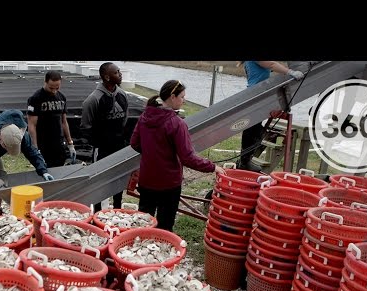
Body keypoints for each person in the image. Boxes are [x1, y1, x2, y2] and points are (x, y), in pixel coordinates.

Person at [130, 80, 217, 232]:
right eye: (182, 97)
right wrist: (213, 167)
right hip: (168, 184)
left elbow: (134, 143)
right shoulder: (176, 123)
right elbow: (188, 157)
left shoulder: (145, 116)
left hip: (147, 179)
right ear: (172, 97)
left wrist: (152, 153)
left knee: (143, 222)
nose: (184, 100)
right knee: (165, 226)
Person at [237, 61, 304, 172]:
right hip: (256, 95)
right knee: (253, 130)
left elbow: (271, 67)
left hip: (257, 94)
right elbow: (271, 64)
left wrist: (284, 70)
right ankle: (244, 162)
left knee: (255, 130)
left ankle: (245, 161)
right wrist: (291, 72)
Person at [81, 62, 129, 212]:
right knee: (99, 181)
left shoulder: (122, 95)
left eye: (119, 71)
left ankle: (117, 210)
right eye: (116, 72)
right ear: (107, 77)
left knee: (118, 180)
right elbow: (85, 126)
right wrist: (98, 142)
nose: (120, 74)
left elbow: (125, 119)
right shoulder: (93, 100)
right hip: (101, 149)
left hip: (119, 147)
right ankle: (96, 213)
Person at [27, 70, 76, 168]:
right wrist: (35, 148)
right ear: (45, 82)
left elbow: (64, 122)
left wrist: (70, 144)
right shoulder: (35, 98)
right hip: (43, 143)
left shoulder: (62, 97)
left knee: (60, 169)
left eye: (57, 88)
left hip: (58, 142)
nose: (54, 91)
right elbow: (32, 125)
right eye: (51, 88)